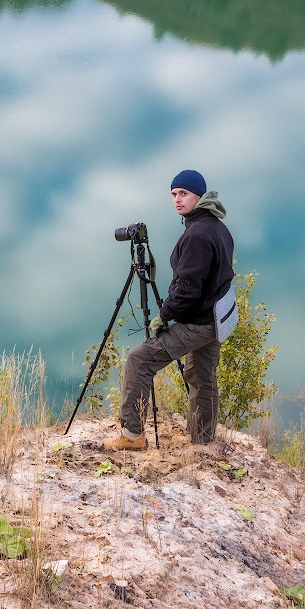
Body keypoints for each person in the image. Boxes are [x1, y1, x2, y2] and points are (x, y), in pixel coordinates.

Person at [106, 169, 234, 450]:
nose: (177, 200)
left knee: (139, 360)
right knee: (202, 377)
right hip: (218, 317)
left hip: (200, 321)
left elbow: (187, 288)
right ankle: (203, 441)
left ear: (199, 195)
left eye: (183, 194)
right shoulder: (217, 226)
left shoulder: (197, 234)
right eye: (174, 194)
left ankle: (132, 436)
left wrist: (164, 317)